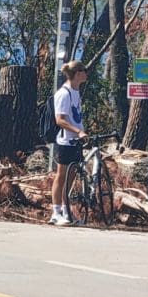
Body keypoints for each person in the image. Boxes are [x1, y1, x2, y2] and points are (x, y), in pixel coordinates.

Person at [50, 59, 90, 226]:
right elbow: (60, 120)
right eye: (84, 71)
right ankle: (56, 213)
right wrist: (78, 131)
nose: (86, 74)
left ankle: (67, 212)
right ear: (78, 73)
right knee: (61, 176)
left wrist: (81, 132)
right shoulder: (63, 93)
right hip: (65, 141)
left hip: (76, 141)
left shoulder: (75, 91)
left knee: (71, 177)